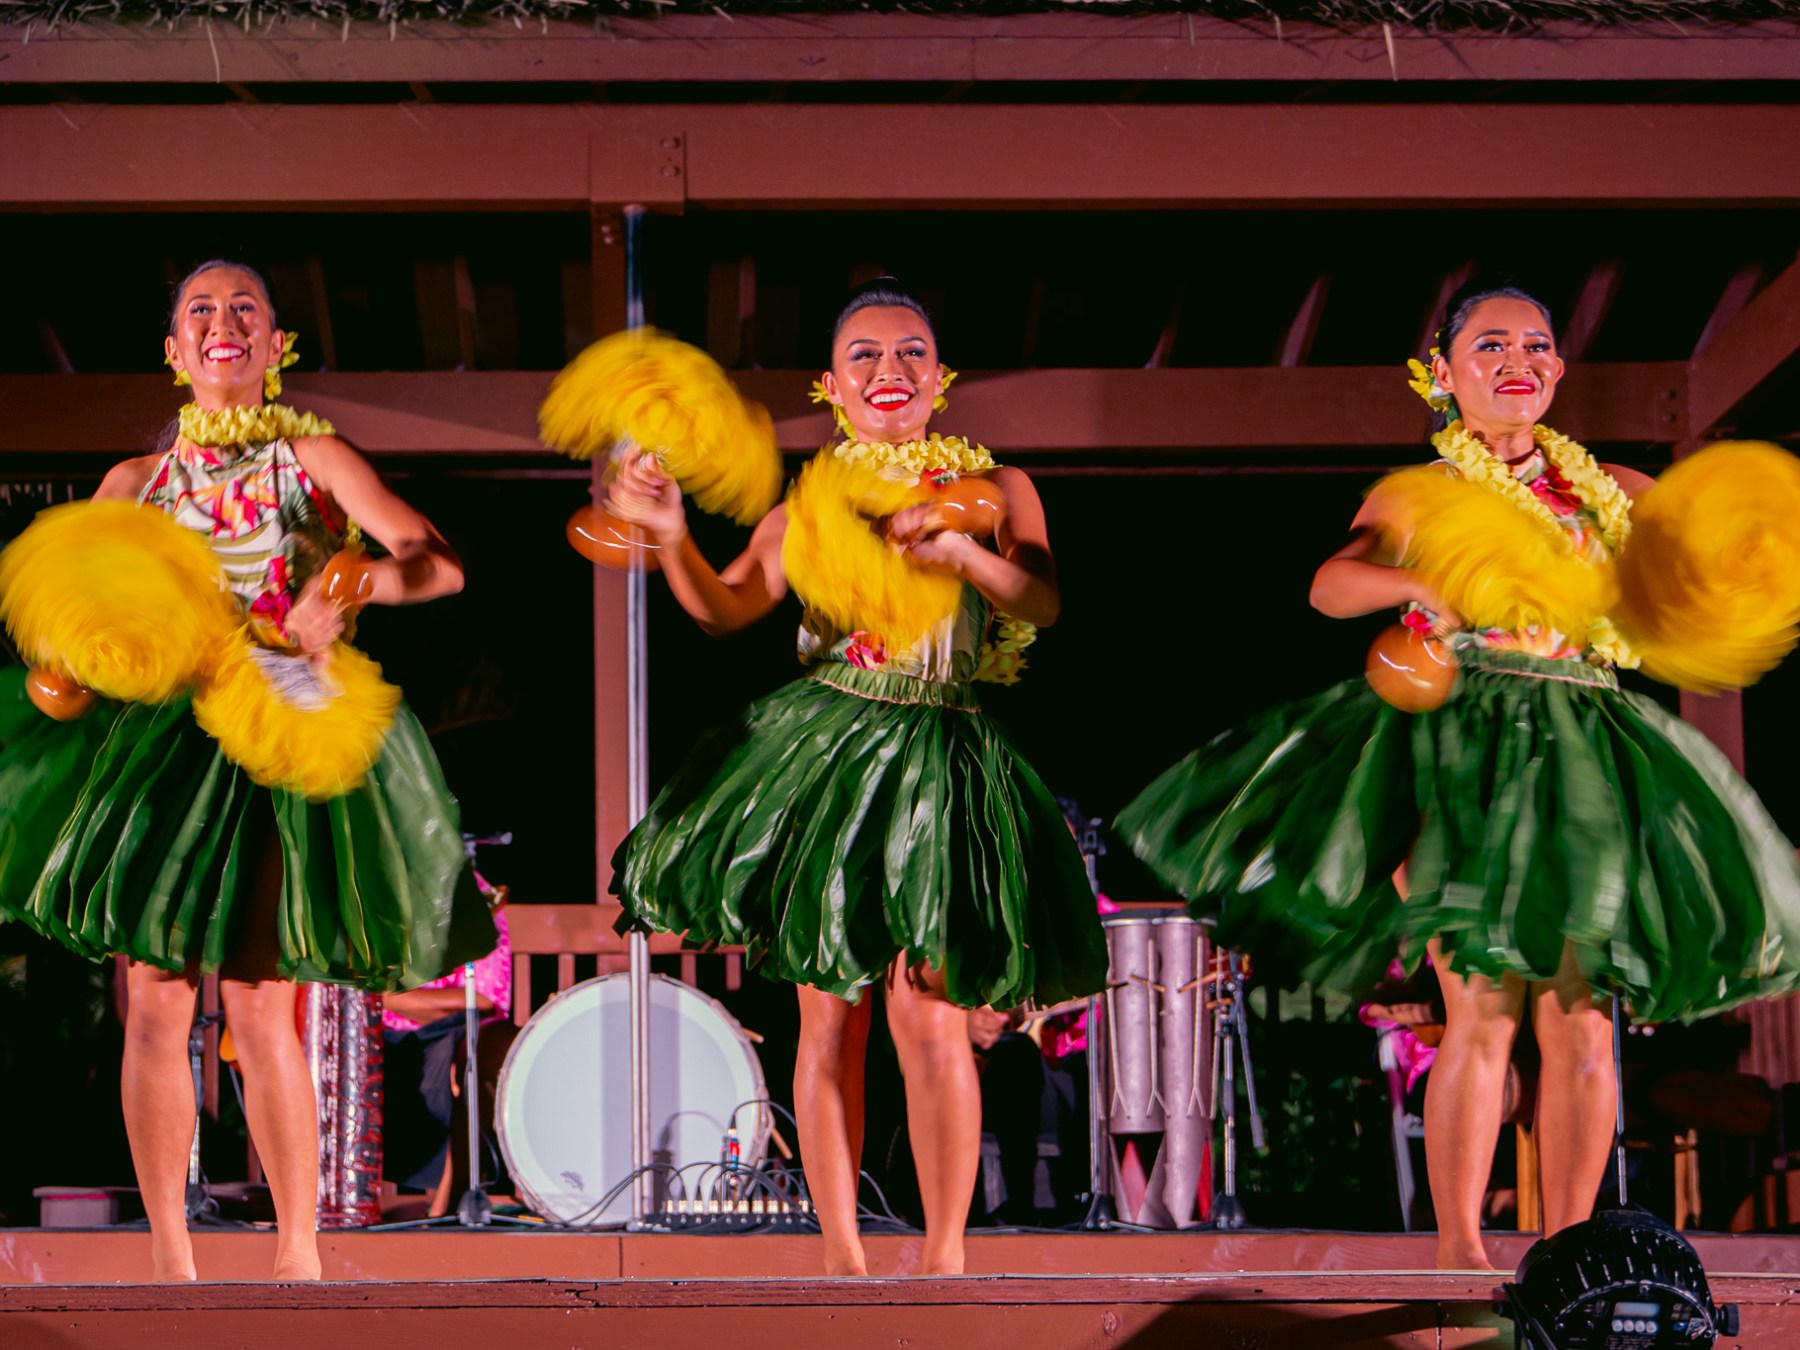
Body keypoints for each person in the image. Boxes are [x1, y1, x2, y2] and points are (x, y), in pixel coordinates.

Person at [1118, 280, 1800, 1270]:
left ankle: (1571, 1255)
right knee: (1481, 1004)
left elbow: (1686, 596)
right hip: (1463, 754)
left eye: (1535, 344)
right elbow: (1330, 585)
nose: (1516, 360)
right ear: (1442, 376)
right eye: (1490, 345)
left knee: (1576, 1019)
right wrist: (1421, 580)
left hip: (1581, 749)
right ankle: (1459, 1251)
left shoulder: (1618, 491)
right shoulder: (1419, 496)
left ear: (1559, 370)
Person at [0, 261, 493, 1281]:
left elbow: (435, 559)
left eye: (245, 310)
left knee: (265, 999)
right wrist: (73, 669)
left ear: (276, 349)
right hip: (166, 742)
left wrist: (351, 584)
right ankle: (173, 1258)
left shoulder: (311, 454)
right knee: (157, 993)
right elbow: (94, 640)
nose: (223, 323)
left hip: (275, 724)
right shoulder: (132, 487)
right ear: (174, 353)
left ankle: (299, 1252)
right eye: (199, 310)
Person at [607, 280, 1107, 1276]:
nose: (892, 372)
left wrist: (964, 549)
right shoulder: (811, 503)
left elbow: (1042, 600)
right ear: (830, 385)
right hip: (830, 752)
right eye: (867, 357)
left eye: (913, 353)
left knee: (932, 1012)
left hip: (944, 749)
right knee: (828, 1011)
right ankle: (840, 1253)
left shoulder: (999, 486)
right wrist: (667, 541)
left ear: (942, 377)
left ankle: (947, 1256)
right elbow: (726, 606)